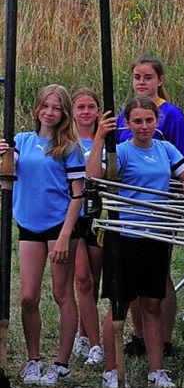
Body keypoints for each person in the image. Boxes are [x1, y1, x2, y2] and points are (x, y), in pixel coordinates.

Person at [87, 98, 184, 388]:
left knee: (152, 304)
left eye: (149, 121)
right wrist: (101, 137)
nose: (144, 127)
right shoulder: (121, 152)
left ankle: (157, 370)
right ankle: (111, 370)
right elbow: (93, 177)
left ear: (156, 121)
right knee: (119, 306)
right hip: (125, 237)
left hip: (156, 237)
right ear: (128, 123)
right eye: (137, 121)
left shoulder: (165, 148)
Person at [0, 85, 85, 387]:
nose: (50, 112)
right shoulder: (21, 140)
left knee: (62, 294)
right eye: (46, 106)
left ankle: (60, 363)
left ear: (63, 113)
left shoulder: (70, 147)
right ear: (37, 109)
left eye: (57, 108)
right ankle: (32, 360)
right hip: (28, 224)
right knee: (27, 296)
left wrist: (64, 236)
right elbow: (7, 172)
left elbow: (78, 196)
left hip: (59, 226)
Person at [116, 55, 184, 359]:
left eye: (148, 77)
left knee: (158, 275)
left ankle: (164, 338)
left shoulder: (171, 115)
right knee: (132, 278)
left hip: (162, 207)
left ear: (160, 80)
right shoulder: (128, 117)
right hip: (129, 211)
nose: (141, 82)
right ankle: (138, 335)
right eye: (137, 76)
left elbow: (183, 159)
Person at [71, 88, 104, 367]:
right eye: (80, 107)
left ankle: (84, 332)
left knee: (94, 277)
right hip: (72, 214)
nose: (85, 112)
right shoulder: (65, 140)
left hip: (99, 214)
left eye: (90, 107)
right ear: (72, 111)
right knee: (82, 277)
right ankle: (95, 344)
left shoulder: (108, 140)